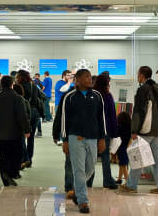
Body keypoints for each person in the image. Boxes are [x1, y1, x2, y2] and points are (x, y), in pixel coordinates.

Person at [120, 66, 158, 195]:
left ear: (142, 75)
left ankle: (131, 185)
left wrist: (134, 130)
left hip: (146, 129)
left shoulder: (142, 89)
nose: (138, 76)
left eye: (138, 74)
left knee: (137, 156)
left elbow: (139, 111)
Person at [60, 69, 106, 214]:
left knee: (90, 168)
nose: (89, 79)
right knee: (78, 170)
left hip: (92, 137)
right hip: (75, 137)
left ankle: (76, 190)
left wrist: (102, 138)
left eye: (89, 76)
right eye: (86, 77)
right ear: (78, 80)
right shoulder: (69, 97)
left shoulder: (97, 96)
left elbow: (101, 119)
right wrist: (65, 140)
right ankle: (83, 201)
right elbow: (64, 119)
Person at [0, 76, 30, 186]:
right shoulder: (17, 98)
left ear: (1, 84)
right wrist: (27, 130)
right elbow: (22, 116)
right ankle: (11, 173)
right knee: (16, 155)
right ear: (12, 84)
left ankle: (5, 177)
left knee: (3, 157)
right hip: (14, 133)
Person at [89, 73, 119, 190]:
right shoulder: (107, 96)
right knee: (105, 156)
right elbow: (112, 115)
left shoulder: (92, 95)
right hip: (105, 130)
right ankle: (107, 180)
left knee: (91, 156)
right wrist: (115, 132)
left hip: (92, 129)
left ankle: (89, 180)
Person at [16, 70, 43, 168]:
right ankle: (29, 161)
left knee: (22, 137)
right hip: (35, 112)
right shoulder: (34, 85)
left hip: (24, 112)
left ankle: (25, 158)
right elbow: (39, 98)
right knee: (31, 138)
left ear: (20, 77)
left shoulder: (19, 86)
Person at [115, 111, 131, 186]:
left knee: (123, 165)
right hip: (127, 147)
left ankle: (128, 182)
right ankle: (119, 179)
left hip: (121, 148)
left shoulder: (118, 127)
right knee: (122, 164)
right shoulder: (129, 128)